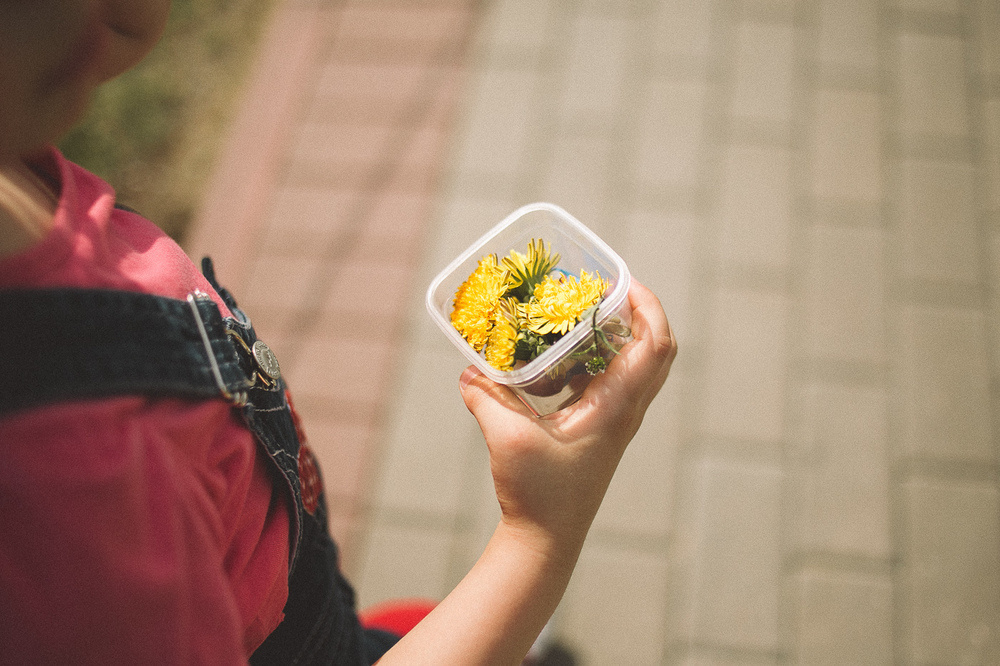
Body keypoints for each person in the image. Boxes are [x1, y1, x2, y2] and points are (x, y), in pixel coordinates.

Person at [0, 1, 678, 664]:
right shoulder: (75, 497)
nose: (102, 23)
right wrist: (540, 538)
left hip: (298, 587)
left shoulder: (22, 136)